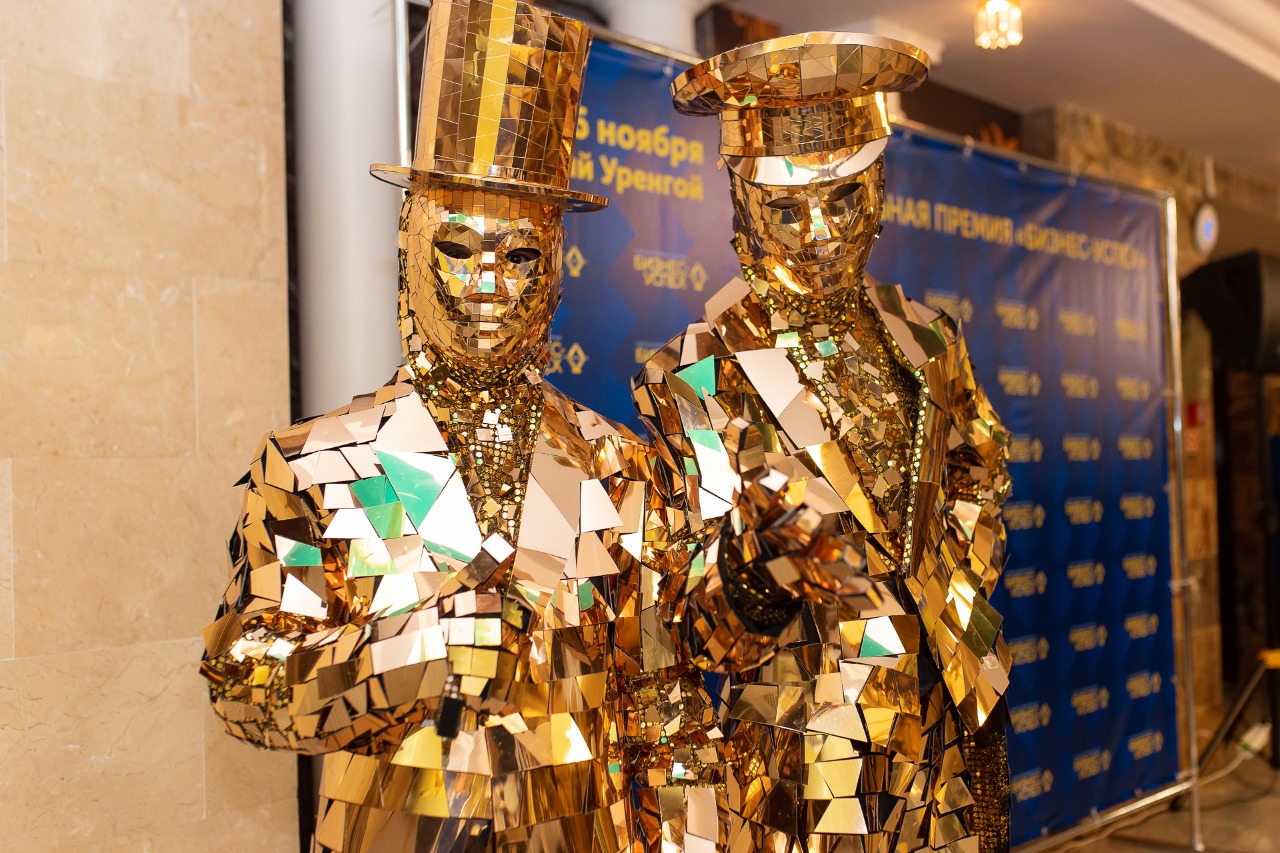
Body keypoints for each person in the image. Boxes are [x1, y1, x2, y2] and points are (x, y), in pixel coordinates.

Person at [198, 2, 721, 849]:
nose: (489, 285)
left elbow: (667, 701)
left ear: (556, 267)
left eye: (520, 254)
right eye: (458, 248)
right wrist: (409, 651)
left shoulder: (617, 464)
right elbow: (243, 685)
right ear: (410, 248)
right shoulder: (316, 465)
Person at [633, 32, 1013, 853]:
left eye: (842, 199)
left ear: (879, 183)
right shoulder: (698, 372)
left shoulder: (928, 335)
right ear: (743, 202)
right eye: (786, 208)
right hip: (809, 753)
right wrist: (760, 558)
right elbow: (693, 624)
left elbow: (980, 468)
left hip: (957, 713)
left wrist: (954, 586)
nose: (818, 233)